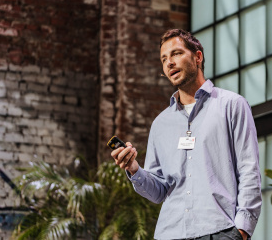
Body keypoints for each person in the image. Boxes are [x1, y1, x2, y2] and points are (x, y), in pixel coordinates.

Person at [111, 29, 261, 240]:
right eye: (164, 59)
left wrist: (242, 231)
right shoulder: (160, 124)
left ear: (197, 57)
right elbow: (159, 192)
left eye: (176, 53)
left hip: (219, 232)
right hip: (169, 233)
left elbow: (249, 171)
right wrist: (134, 169)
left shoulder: (231, 105)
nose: (169, 63)